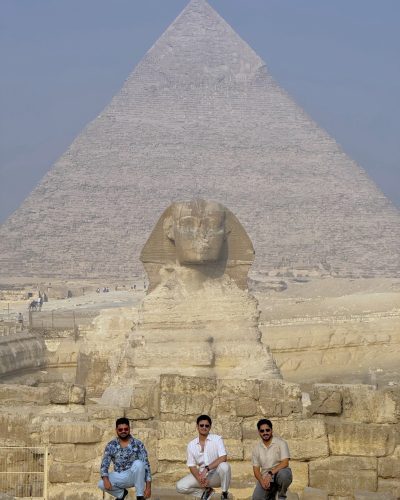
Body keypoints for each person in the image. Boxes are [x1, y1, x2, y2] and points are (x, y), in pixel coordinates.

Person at [176, 414, 231, 500]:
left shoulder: (217, 439)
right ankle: (206, 492)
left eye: (207, 425)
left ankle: (224, 494)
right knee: (180, 486)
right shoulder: (191, 445)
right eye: (201, 425)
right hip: (202, 476)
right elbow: (191, 465)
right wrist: (199, 478)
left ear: (210, 427)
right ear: (197, 426)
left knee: (225, 466)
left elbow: (223, 458)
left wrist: (207, 469)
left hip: (217, 475)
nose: (204, 427)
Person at [98, 417, 151, 499]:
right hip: (120, 475)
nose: (123, 431)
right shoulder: (111, 445)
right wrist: (105, 480)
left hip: (134, 475)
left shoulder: (138, 444)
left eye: (126, 429)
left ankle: (140, 496)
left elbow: (146, 466)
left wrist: (148, 488)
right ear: (116, 430)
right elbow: (104, 465)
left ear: (129, 429)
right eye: (120, 429)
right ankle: (121, 494)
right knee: (101, 483)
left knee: (139, 463)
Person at [252, 419, 292, 500]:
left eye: (267, 430)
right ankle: (271, 495)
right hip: (265, 477)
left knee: (284, 475)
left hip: (278, 473)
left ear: (271, 430)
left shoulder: (281, 443)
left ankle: (281, 496)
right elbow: (256, 470)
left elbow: (285, 462)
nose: (265, 433)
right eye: (262, 431)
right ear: (259, 432)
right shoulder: (256, 448)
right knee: (256, 498)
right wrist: (262, 481)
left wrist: (270, 474)